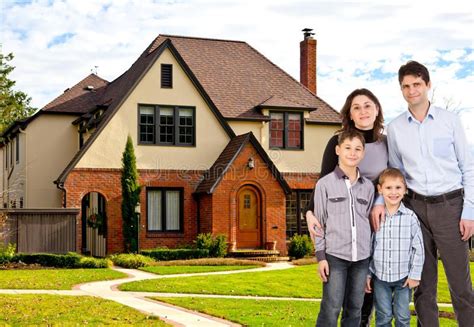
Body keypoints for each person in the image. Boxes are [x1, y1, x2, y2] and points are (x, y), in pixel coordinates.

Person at [371, 60, 474, 326]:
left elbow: (469, 167)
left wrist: (469, 212)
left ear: (428, 85)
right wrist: (383, 199)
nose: (412, 90)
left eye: (417, 84)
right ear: (401, 90)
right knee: (422, 285)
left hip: (450, 206)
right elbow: (394, 174)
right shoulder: (395, 129)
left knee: (460, 286)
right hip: (415, 208)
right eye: (406, 86)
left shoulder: (450, 121)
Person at [307, 88, 388, 326]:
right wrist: (309, 212)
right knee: (332, 306)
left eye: (368, 105)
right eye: (356, 107)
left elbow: (393, 178)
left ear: (377, 110)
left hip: (373, 223)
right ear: (349, 114)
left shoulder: (387, 143)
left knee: (362, 302)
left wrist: (380, 201)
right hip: (339, 238)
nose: (363, 111)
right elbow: (322, 184)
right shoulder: (339, 141)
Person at [314, 129, 375, 327]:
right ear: (338, 150)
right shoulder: (324, 184)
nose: (353, 152)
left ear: (363, 153)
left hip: (362, 259)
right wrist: (321, 257)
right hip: (335, 257)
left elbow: (369, 225)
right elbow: (319, 224)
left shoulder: (368, 187)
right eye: (348, 148)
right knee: (331, 308)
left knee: (355, 309)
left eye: (358, 149)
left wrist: (369, 267)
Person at [365, 168, 425, 327]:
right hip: (380, 278)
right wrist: (369, 274)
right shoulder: (377, 217)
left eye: (398, 188)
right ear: (380, 189)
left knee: (403, 317)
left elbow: (418, 249)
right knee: (383, 317)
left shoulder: (410, 218)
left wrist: (415, 275)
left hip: (403, 279)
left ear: (405, 190)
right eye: (388, 188)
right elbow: (371, 248)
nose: (393, 192)